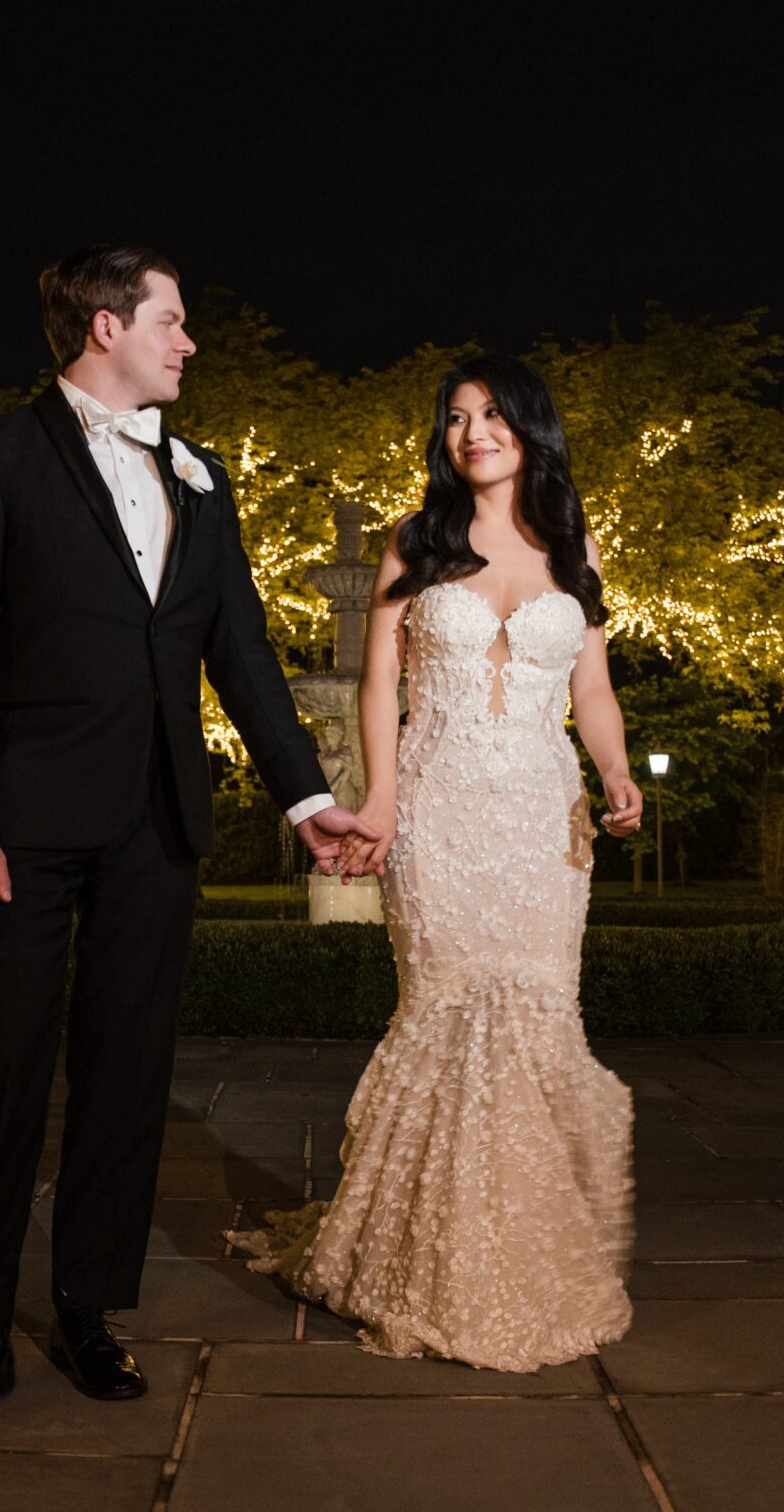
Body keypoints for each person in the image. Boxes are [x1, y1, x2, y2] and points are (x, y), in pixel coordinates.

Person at [0, 243, 372, 1426]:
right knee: (10, 1059)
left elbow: (245, 658)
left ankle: (86, 1308)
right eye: (173, 320)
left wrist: (307, 798)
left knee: (128, 1071)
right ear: (106, 325)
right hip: (20, 822)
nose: (189, 340)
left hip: (157, 822)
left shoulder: (203, 477)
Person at [232, 351, 644, 1371]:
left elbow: (589, 685)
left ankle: (531, 1264)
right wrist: (381, 796)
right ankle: (427, 1266)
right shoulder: (413, 543)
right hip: (443, 811)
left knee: (538, 1017)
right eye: (456, 417)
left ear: (529, 426)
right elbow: (378, 685)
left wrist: (617, 770)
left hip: (545, 823)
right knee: (451, 1011)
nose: (473, 431)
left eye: (492, 413)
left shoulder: (574, 544)